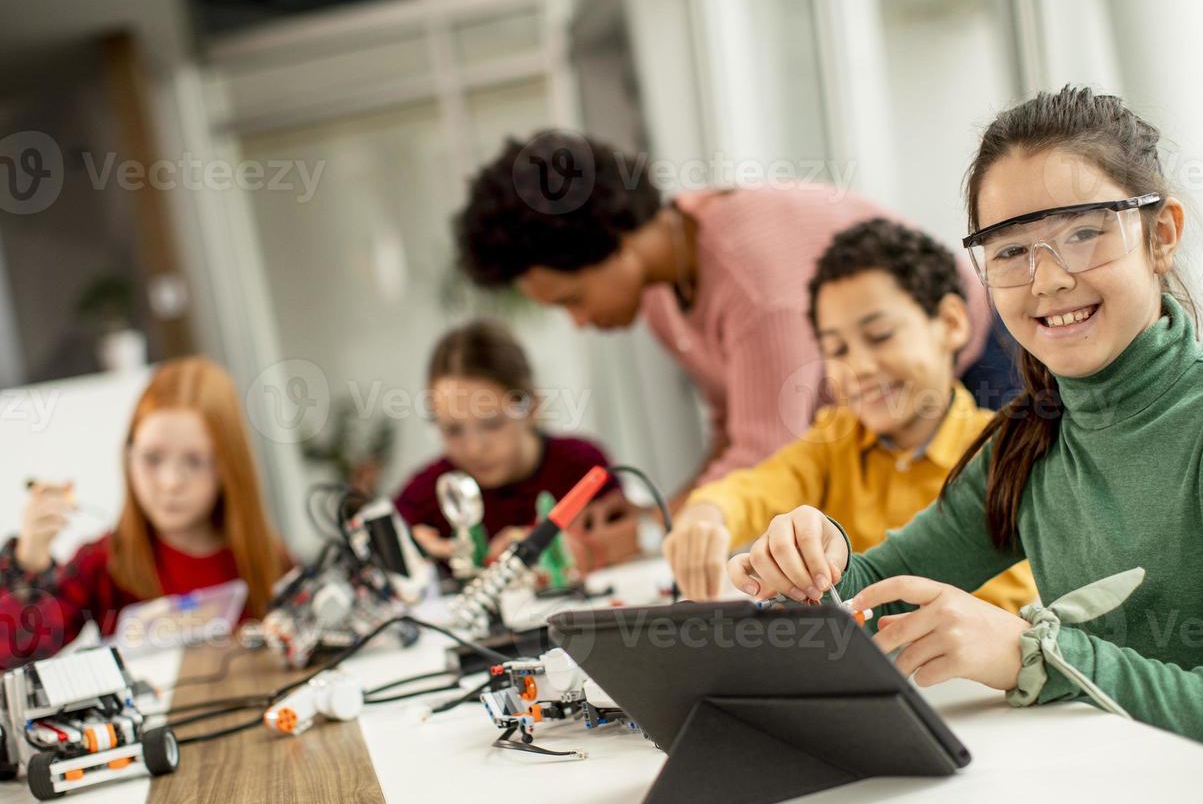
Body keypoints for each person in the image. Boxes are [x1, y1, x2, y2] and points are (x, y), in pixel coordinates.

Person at [725, 86, 1203, 795]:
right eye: (1012, 250)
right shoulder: (1028, 443)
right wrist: (816, 559)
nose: (1049, 279)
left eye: (1085, 232)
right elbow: (870, 603)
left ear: (1161, 236)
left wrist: (1036, 654)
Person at [454, 132, 1008, 500]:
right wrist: (660, 518)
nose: (577, 321)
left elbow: (770, 452)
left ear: (614, 241)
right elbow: (736, 431)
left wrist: (666, 527)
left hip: (976, 364)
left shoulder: (751, 284)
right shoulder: (663, 280)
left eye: (573, 298)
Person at [663, 218, 1036, 611]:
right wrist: (708, 513)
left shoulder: (1000, 455)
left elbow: (997, 608)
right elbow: (760, 486)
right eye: (838, 350)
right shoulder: (835, 438)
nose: (859, 366)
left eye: (880, 337)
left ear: (950, 323)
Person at [0, 358, 288, 673]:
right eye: (152, 458)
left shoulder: (272, 561)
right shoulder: (102, 563)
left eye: (194, 460)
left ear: (229, 465)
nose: (170, 482)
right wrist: (28, 563)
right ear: (128, 456)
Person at [394, 319, 634, 571]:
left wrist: (566, 548)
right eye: (453, 430)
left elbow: (635, 536)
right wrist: (407, 553)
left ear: (532, 406)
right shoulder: (427, 495)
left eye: (492, 424)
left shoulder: (581, 468)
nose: (474, 448)